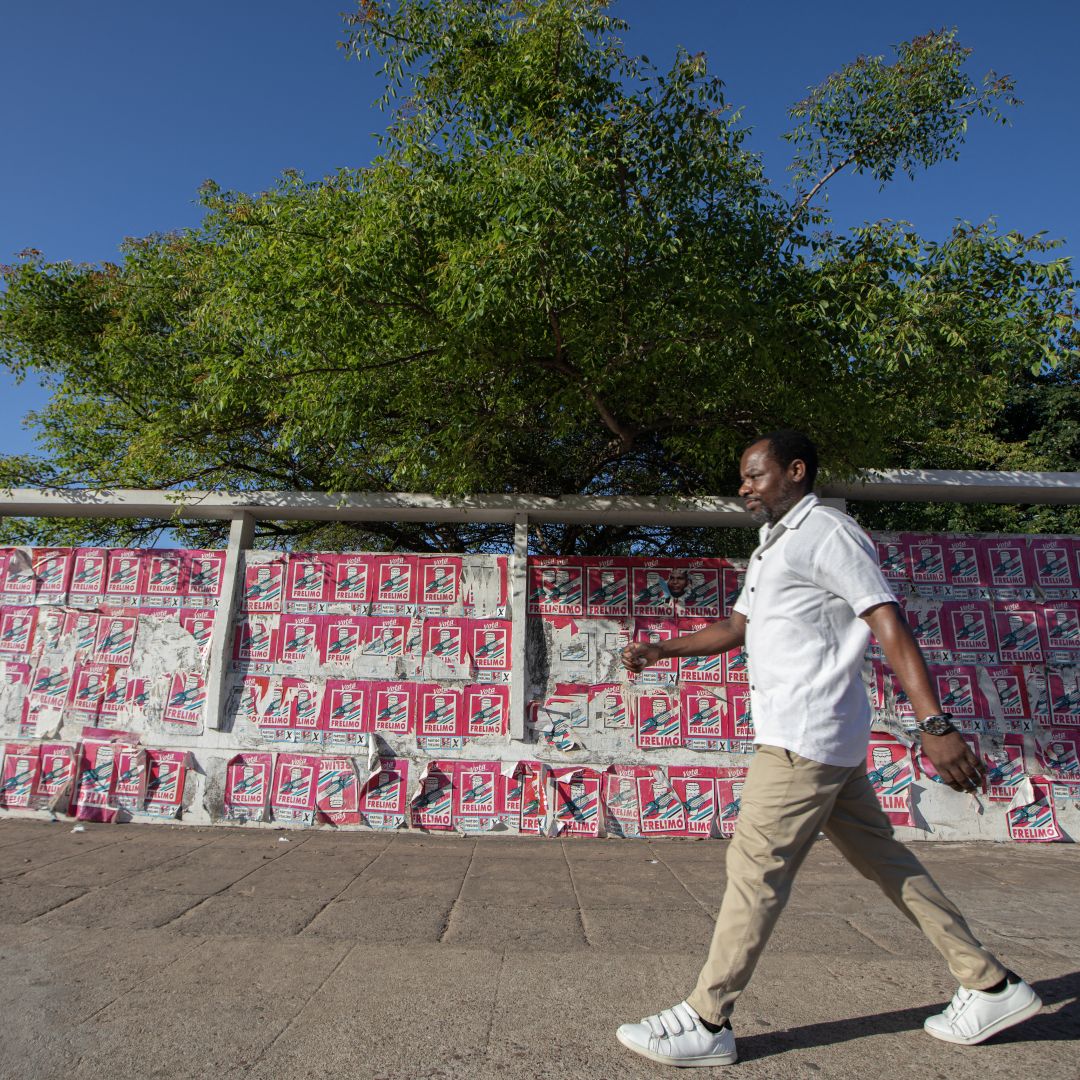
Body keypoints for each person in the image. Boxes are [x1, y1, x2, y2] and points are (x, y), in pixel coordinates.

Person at [615, 431, 1041, 1068]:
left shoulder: (829, 533)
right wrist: (663, 649)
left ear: (795, 470)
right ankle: (990, 985)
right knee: (887, 865)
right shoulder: (774, 543)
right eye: (743, 478)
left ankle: (707, 1018)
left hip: (802, 742)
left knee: (754, 872)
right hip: (824, 745)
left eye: (755, 476)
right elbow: (739, 627)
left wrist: (934, 724)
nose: (744, 488)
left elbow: (885, 618)